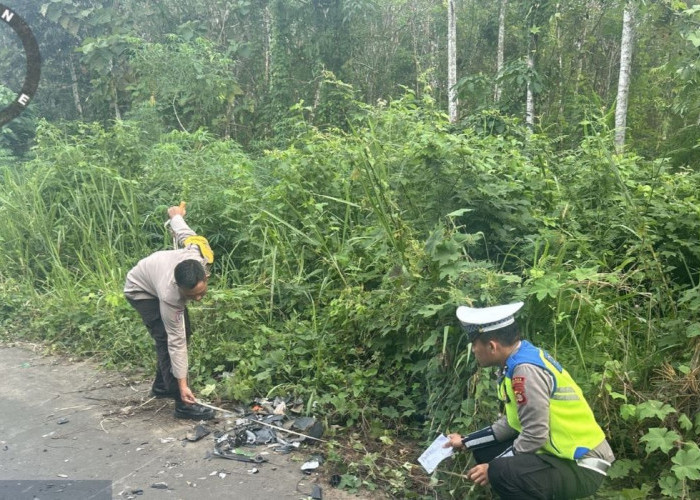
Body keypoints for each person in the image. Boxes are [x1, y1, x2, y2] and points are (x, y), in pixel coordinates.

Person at [443, 302, 614, 499]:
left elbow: (535, 434)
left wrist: (490, 468)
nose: (473, 350)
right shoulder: (517, 360)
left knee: (499, 470)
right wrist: (466, 441)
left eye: (475, 344)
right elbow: (511, 423)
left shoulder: (525, 371)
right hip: (559, 455)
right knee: (485, 451)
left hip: (582, 465)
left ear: (492, 346)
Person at [124, 204, 215, 420]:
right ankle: (181, 401)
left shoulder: (197, 252)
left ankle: (162, 386)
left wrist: (175, 215)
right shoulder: (170, 295)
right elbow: (176, 342)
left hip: (155, 273)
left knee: (186, 331)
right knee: (167, 338)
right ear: (179, 287)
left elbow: (184, 232)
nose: (199, 299)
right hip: (141, 290)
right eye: (192, 296)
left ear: (205, 276)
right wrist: (183, 384)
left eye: (201, 292)